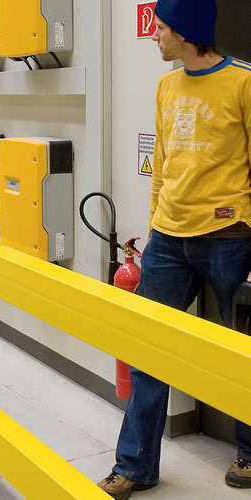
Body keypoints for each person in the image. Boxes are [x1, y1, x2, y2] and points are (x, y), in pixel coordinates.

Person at [97, 0, 251, 498]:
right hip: (168, 238)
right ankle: (135, 465)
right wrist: (154, 227)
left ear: (185, 32)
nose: (154, 35)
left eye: (161, 27)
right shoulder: (167, 85)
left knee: (242, 349)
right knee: (148, 348)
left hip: (230, 236)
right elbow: (161, 166)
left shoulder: (243, 83)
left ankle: (249, 454)